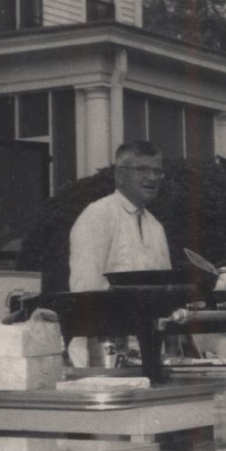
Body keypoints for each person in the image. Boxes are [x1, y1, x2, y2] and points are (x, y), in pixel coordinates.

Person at [67, 140, 171, 365]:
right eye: (143, 169)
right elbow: (85, 291)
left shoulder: (156, 227)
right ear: (120, 175)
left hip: (149, 353)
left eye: (157, 171)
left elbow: (164, 295)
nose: (152, 178)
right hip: (103, 354)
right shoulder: (97, 216)